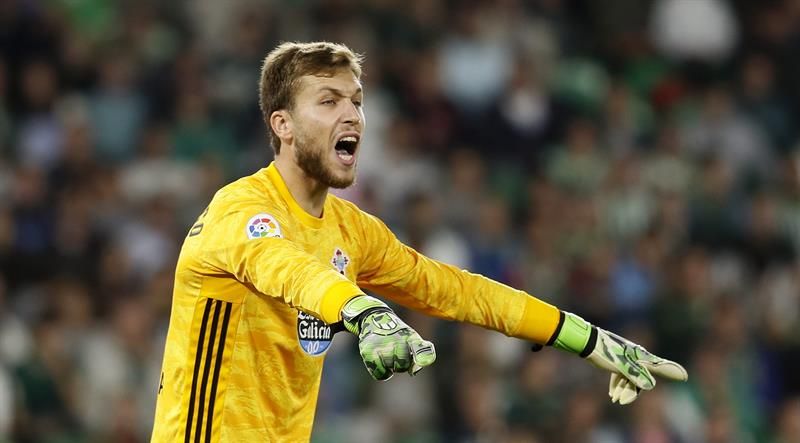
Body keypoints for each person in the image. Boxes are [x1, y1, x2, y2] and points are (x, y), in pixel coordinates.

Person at [150, 41, 687, 442]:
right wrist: (363, 310)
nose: (352, 114)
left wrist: (587, 339)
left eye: (356, 101)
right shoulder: (239, 211)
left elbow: (456, 291)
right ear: (283, 125)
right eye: (328, 100)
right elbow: (288, 269)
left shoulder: (352, 230)